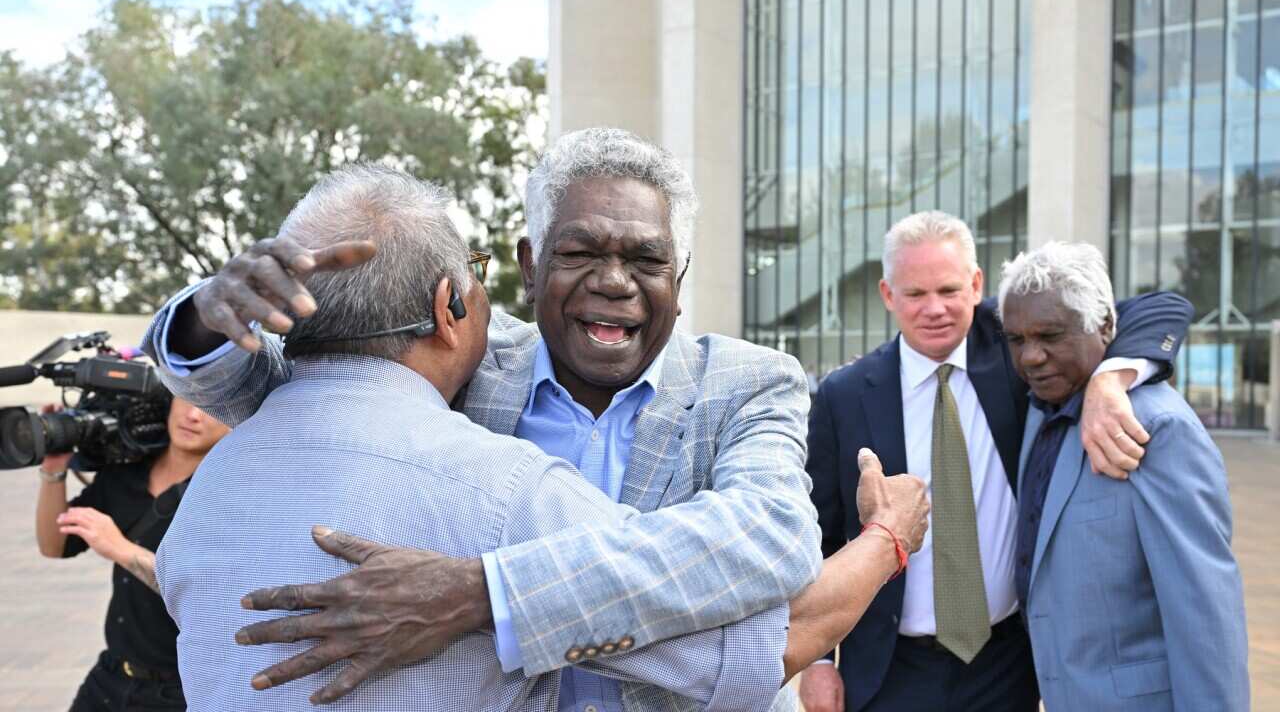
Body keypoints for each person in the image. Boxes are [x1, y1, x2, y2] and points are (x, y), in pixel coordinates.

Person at [150, 162, 930, 710]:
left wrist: (483, 592)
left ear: (680, 279)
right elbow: (324, 380)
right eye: (582, 251)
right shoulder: (468, 370)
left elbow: (769, 539)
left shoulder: (747, 381)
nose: (616, 281)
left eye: (647, 259)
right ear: (523, 269)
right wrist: (202, 316)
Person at [800, 211, 1195, 712]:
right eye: (916, 294)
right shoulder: (845, 394)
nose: (935, 309)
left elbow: (1161, 308)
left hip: (1007, 662)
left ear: (976, 284)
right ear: (887, 294)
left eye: (949, 290)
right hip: (889, 668)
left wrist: (1110, 378)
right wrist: (817, 663)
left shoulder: (1017, 348)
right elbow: (819, 538)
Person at [998, 241, 1248, 711]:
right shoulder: (1040, 407)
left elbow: (1205, 614)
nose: (1031, 356)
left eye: (1050, 336)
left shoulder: (1156, 428)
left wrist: (1112, 375)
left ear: (1107, 327)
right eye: (1017, 340)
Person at [34, 394, 230, 712]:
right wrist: (54, 471)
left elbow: (205, 596)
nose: (193, 415)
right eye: (187, 398)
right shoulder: (125, 474)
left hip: (179, 691)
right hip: (110, 677)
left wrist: (121, 549)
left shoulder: (225, 494)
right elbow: (53, 546)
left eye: (211, 408)